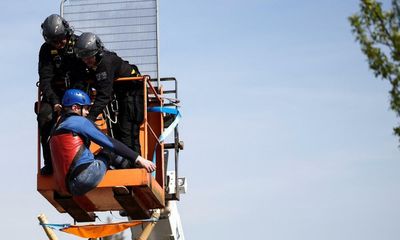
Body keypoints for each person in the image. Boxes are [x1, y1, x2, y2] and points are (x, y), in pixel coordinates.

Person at [49, 89, 156, 196]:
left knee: (97, 156)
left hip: (65, 186)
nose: (87, 112)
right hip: (84, 177)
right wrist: (139, 159)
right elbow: (110, 143)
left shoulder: (56, 127)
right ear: (75, 107)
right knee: (109, 152)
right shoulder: (79, 122)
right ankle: (131, 179)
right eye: (86, 108)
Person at [72, 32, 144, 155]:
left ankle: (134, 164)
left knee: (128, 132)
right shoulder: (89, 65)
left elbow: (104, 95)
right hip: (117, 95)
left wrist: (89, 118)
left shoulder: (106, 63)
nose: (87, 61)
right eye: (84, 58)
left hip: (132, 93)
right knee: (115, 132)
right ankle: (121, 161)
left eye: (89, 57)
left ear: (98, 52)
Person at [37, 14, 83, 175]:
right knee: (44, 116)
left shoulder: (79, 45)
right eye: (54, 41)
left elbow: (82, 76)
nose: (59, 44)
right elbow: (45, 79)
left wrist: (71, 101)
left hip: (79, 91)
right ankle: (50, 162)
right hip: (55, 93)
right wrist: (55, 102)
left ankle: (81, 161)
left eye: (61, 39)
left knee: (78, 119)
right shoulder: (46, 50)